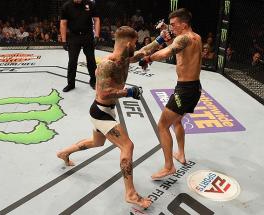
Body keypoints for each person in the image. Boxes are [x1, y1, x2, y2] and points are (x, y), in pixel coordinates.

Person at [57, 26, 152, 208]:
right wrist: (129, 91)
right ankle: (130, 193)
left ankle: (64, 152)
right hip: (101, 111)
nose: (137, 45)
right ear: (127, 43)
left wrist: (162, 40)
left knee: (97, 142)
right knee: (127, 146)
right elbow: (103, 93)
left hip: (105, 111)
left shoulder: (124, 58)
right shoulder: (107, 64)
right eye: (134, 43)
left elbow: (141, 53)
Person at [137, 8, 202, 180]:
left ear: (184, 24)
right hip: (194, 87)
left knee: (162, 125)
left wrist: (148, 58)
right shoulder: (196, 37)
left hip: (185, 90)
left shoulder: (183, 38)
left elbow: (167, 52)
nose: (172, 27)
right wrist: (166, 33)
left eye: (174, 24)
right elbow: (177, 48)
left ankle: (168, 167)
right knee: (177, 120)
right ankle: (180, 154)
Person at [60, 0, 101, 92]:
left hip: (88, 35)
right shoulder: (67, 6)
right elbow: (63, 23)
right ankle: (71, 83)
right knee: (72, 61)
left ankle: (94, 81)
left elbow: (96, 19)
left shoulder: (90, 4)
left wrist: (97, 36)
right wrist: (63, 40)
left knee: (91, 59)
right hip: (73, 36)